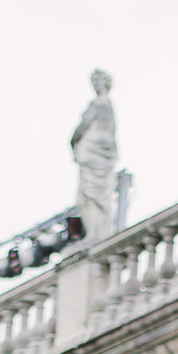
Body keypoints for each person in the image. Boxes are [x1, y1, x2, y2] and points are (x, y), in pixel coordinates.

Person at [70, 71, 120, 241]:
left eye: (99, 80)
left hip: (95, 152)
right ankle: (94, 233)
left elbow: (83, 126)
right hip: (95, 152)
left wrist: (73, 140)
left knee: (93, 193)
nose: (96, 84)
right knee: (90, 194)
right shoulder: (107, 106)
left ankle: (96, 234)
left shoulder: (99, 105)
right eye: (94, 81)